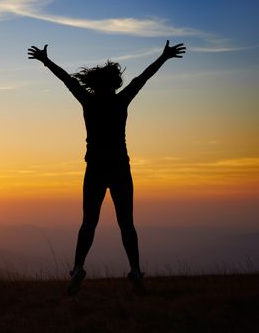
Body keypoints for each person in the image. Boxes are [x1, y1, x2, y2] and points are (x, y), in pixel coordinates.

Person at [27, 40, 185, 296]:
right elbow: (142, 78)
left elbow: (67, 80)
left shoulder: (88, 102)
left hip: (95, 169)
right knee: (126, 223)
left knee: (89, 222)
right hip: (120, 167)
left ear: (96, 84)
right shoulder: (121, 100)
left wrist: (46, 61)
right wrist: (164, 57)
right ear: (114, 84)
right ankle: (135, 272)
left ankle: (78, 269)